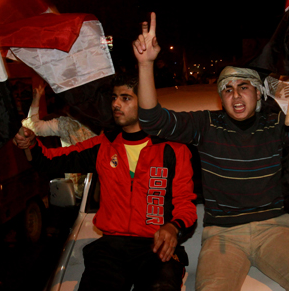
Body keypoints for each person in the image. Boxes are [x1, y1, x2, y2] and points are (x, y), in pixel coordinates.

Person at [133, 13, 289, 291]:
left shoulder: (277, 124)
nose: (235, 95)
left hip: (274, 231)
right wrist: (146, 65)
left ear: (257, 94)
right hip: (223, 236)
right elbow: (151, 120)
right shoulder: (206, 125)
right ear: (222, 99)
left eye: (244, 87)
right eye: (227, 90)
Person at [14, 72, 197, 291]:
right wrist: (31, 144)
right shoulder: (103, 146)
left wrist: (173, 227)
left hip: (157, 248)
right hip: (110, 248)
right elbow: (50, 162)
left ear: (146, 101)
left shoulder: (173, 149)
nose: (116, 104)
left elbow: (186, 205)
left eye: (125, 98)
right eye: (114, 97)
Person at [21, 84, 96, 198]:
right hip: (78, 194)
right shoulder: (65, 124)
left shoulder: (102, 123)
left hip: (101, 188)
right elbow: (32, 127)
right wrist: (36, 99)